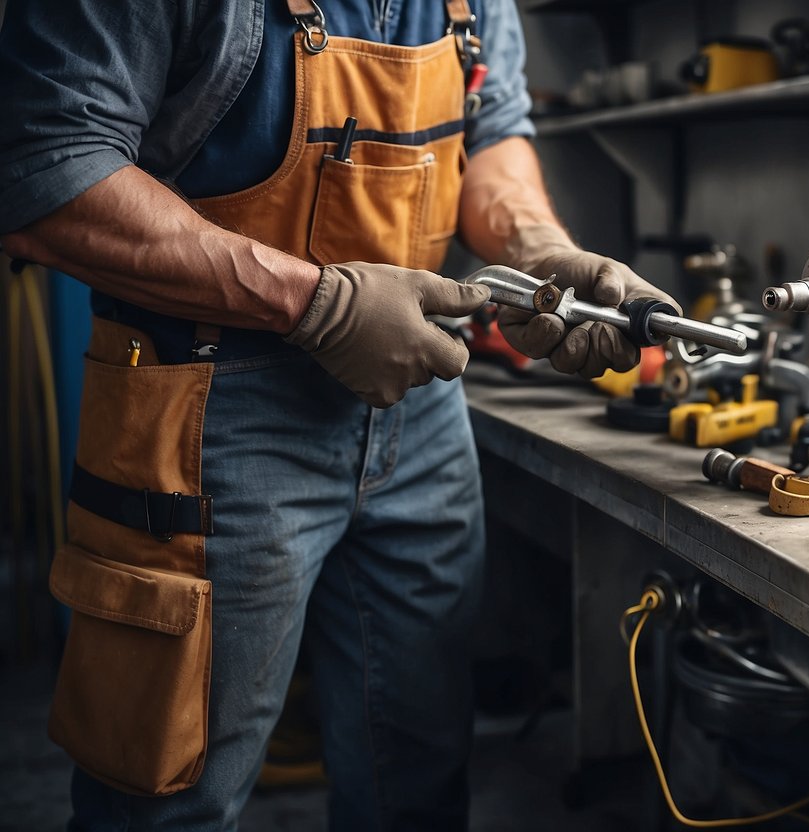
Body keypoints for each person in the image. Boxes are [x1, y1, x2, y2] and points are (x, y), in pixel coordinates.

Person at [0, 0, 678, 828]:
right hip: (206, 405)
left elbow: (491, 131)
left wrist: (537, 250)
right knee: (169, 792)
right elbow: (44, 164)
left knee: (419, 772)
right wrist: (313, 303)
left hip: (419, 399)